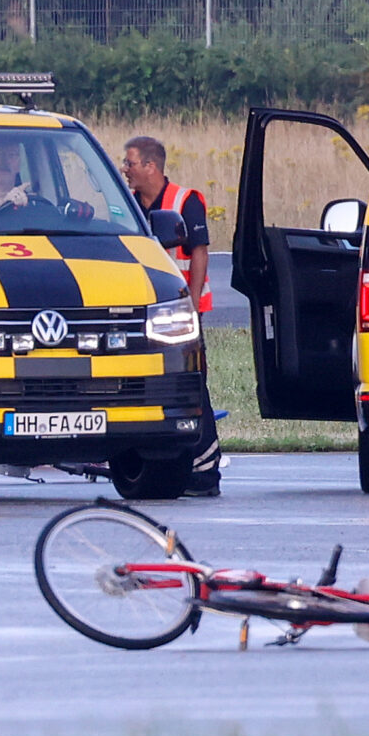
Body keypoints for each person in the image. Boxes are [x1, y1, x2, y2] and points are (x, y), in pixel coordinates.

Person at [120, 136, 221, 497]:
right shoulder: (128, 205)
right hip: (144, 313)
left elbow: (199, 254)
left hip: (180, 313)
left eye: (130, 163)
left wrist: (190, 306)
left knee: (193, 388)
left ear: (151, 166)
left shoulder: (185, 201)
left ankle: (205, 472)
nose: (125, 170)